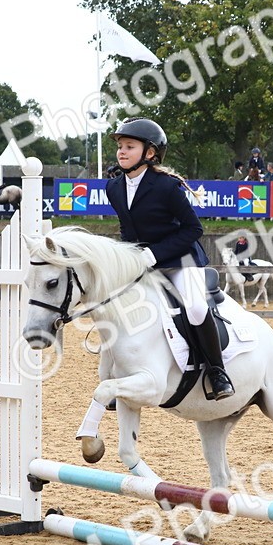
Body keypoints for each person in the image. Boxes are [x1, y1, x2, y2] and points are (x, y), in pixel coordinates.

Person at [106, 117, 233, 400]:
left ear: (149, 153)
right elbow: (128, 230)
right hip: (143, 261)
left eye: (129, 146)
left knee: (197, 308)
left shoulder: (165, 186)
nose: (122, 152)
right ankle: (116, 374)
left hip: (181, 259)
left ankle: (217, 372)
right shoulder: (113, 187)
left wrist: (154, 253)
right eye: (120, 147)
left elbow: (193, 229)